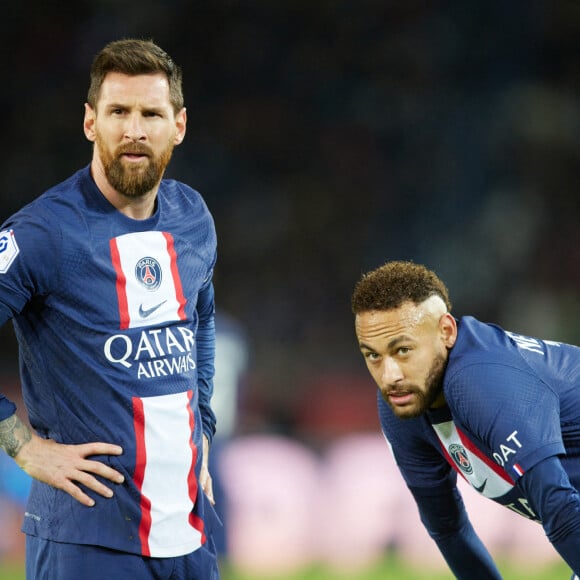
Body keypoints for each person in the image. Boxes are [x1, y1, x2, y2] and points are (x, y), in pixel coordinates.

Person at [0, 39, 221, 579]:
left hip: (188, 535)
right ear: (89, 123)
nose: (134, 130)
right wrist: (23, 446)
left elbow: (201, 320)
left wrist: (204, 431)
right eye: (118, 111)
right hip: (86, 544)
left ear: (180, 125)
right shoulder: (42, 233)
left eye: (151, 113)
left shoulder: (192, 217)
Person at [351, 260, 580, 579]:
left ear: (446, 331)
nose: (389, 376)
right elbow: (447, 528)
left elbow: (560, 509)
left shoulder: (478, 381)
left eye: (403, 350)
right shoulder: (405, 401)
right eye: (373, 355)